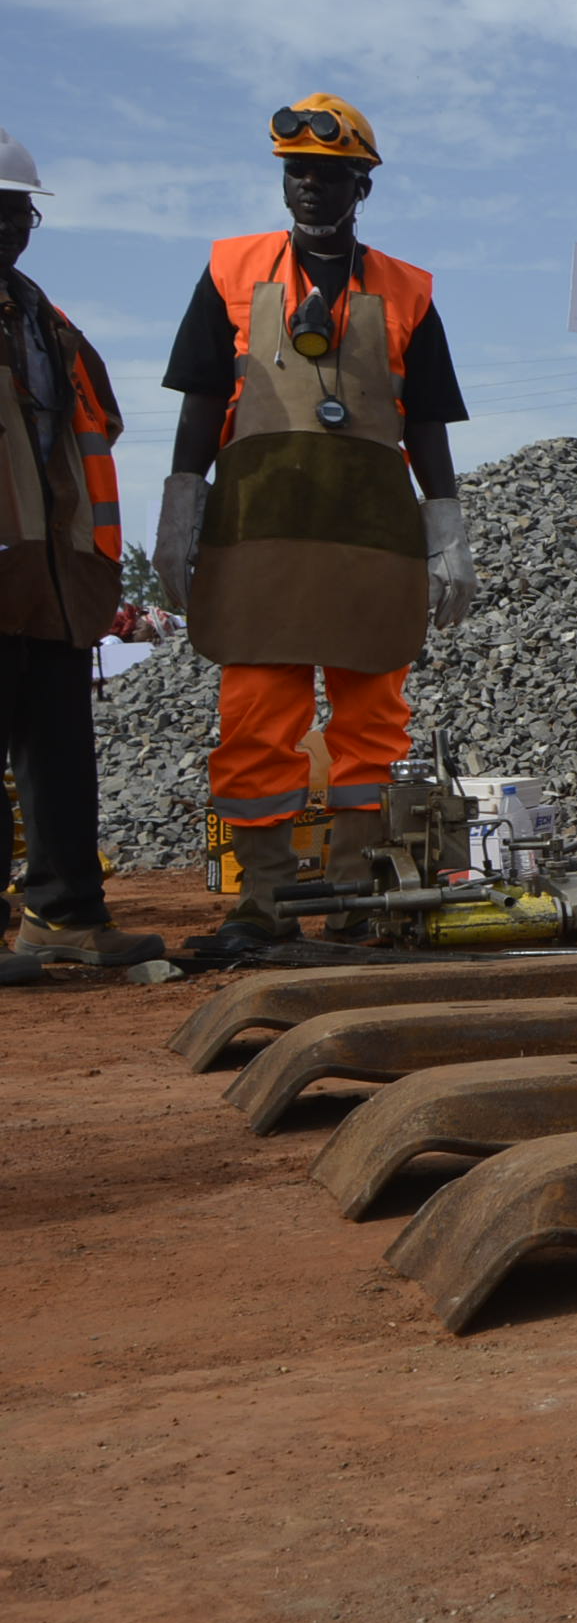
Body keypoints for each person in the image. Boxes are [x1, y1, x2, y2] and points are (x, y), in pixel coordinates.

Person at [155, 96, 474, 954]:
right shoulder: (233, 271)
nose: (309, 188)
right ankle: (261, 906)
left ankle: (360, 898)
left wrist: (447, 530)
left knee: (373, 721)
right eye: (297, 172)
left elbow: (428, 423)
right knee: (257, 716)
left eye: (329, 176)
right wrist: (181, 508)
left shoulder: (407, 290)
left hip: (373, 536)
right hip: (259, 531)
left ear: (361, 187)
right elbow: (198, 402)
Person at [0, 127, 163, 982]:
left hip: (57, 576)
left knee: (61, 755)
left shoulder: (46, 323)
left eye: (19, 209)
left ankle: (64, 914)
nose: (11, 223)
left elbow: (93, 435)